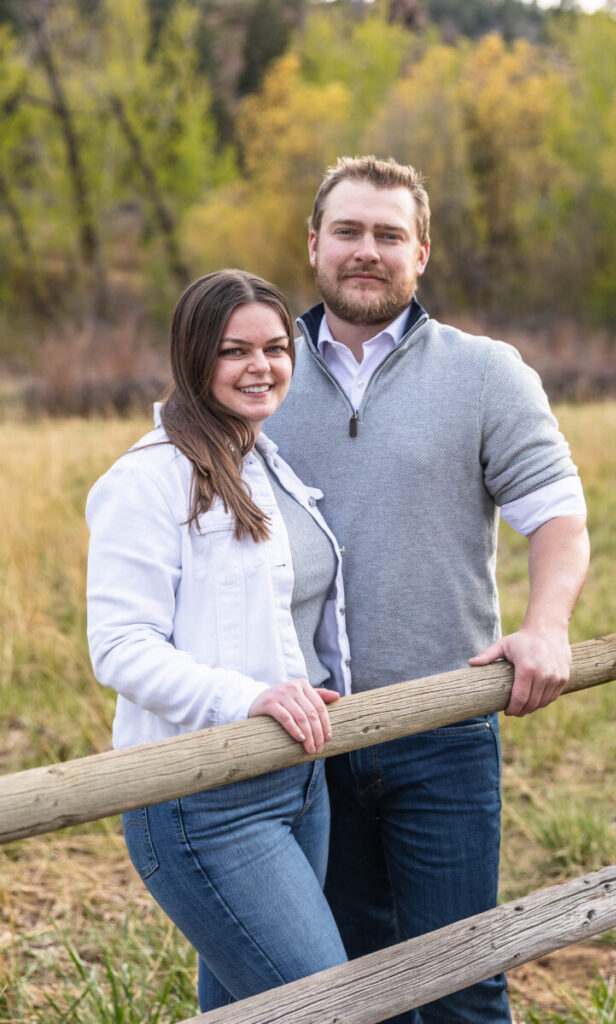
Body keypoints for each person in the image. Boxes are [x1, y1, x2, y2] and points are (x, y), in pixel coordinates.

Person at [266, 156, 590, 1024]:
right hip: (303, 737)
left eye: (386, 234)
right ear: (312, 244)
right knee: (348, 983)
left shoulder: (485, 372)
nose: (364, 251)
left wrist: (546, 627)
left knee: (463, 980)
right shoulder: (258, 371)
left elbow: (556, 516)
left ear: (422, 252)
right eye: (347, 231)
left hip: (442, 723)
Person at [85, 269, 351, 1013]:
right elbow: (120, 646)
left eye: (275, 348)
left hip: (299, 781)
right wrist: (251, 698)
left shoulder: (268, 463)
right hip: (201, 800)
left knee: (247, 1008)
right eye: (235, 350)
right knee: (324, 1005)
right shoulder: (147, 480)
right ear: (194, 355)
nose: (260, 367)